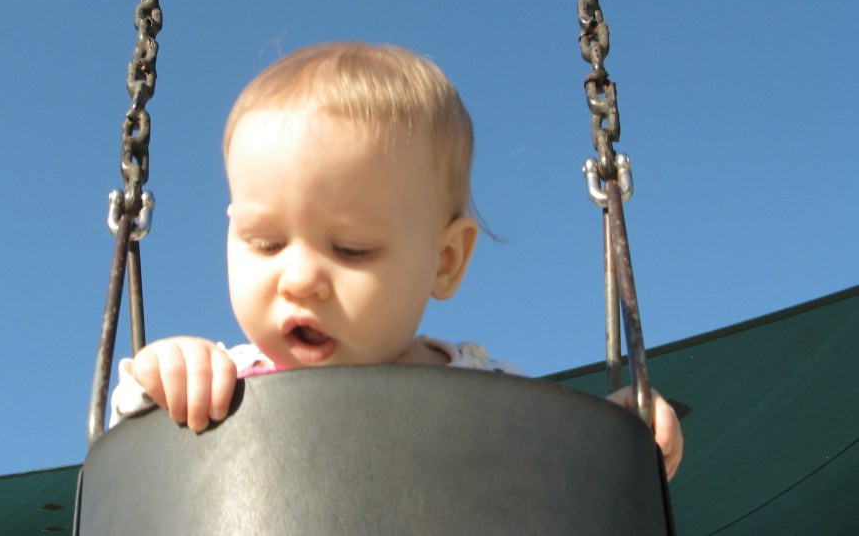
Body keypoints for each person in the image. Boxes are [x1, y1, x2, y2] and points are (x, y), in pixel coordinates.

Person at [110, 41, 683, 479]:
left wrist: (624, 439)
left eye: (351, 249)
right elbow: (134, 466)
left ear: (446, 260)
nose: (301, 279)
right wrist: (167, 374)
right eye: (265, 243)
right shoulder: (223, 385)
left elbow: (562, 482)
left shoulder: (489, 396)